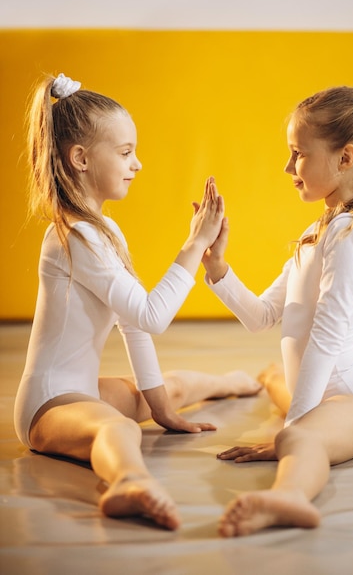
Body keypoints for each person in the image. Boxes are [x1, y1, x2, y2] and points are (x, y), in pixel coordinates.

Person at [14, 72, 261, 531]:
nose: (138, 164)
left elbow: (134, 324)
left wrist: (163, 409)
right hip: (49, 404)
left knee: (173, 388)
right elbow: (154, 314)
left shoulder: (105, 231)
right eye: (126, 153)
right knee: (118, 427)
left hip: (82, 387)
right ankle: (130, 482)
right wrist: (194, 246)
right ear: (81, 158)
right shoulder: (73, 236)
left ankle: (236, 381)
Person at [202, 85, 353, 537]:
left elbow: (328, 335)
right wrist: (217, 267)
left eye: (297, 153)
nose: (287, 167)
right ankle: (276, 387)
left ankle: (289, 497)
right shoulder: (318, 231)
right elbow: (262, 316)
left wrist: (293, 429)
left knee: (298, 436)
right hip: (322, 392)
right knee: (281, 385)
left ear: (345, 157)